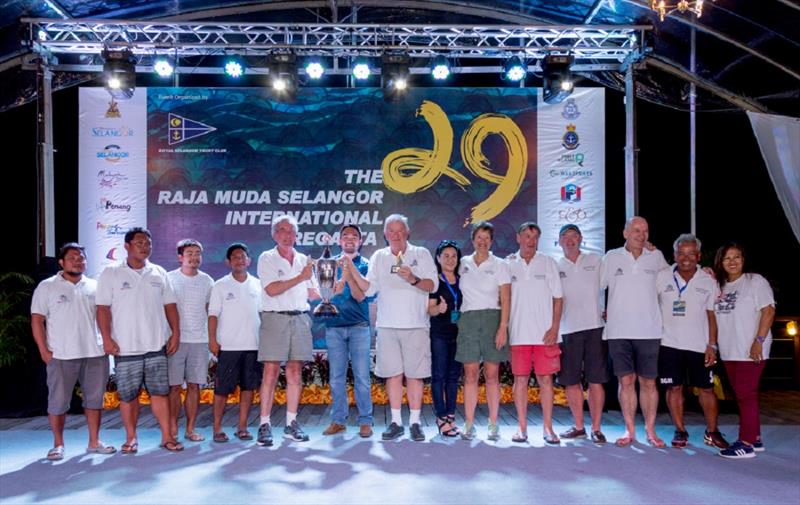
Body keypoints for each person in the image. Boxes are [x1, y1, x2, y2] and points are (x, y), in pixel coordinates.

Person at [346, 214, 438, 441]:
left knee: (415, 376)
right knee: (393, 375)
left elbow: (432, 285)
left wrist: (414, 278)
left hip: (416, 325)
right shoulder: (379, 256)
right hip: (387, 326)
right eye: (391, 231)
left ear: (407, 233)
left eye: (400, 231)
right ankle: (396, 422)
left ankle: (415, 422)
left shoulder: (421, 254)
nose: (396, 235)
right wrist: (350, 269)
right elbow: (368, 289)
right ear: (385, 235)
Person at [96, 227, 182, 453]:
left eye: (148, 243)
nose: (145, 247)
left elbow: (170, 305)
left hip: (156, 345)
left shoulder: (158, 272)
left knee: (160, 393)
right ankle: (131, 438)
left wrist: (176, 333)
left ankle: (166, 437)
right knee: (128, 396)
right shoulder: (111, 273)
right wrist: (106, 338)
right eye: (140, 243)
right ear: (127, 246)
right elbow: (102, 309)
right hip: (125, 347)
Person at [31, 243, 116, 460]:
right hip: (61, 354)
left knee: (95, 400)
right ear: (61, 262)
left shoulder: (96, 286)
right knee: (58, 402)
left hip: (95, 353)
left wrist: (107, 342)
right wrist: (43, 350)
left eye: (81, 258)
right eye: (72, 258)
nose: (78, 261)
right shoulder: (47, 286)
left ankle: (94, 442)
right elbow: (37, 320)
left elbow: (105, 317)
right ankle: (58, 444)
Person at [601, 216, 669, 447]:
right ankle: (629, 430)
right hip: (619, 331)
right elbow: (595, 286)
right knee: (626, 381)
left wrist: (704, 271)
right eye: (636, 230)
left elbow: (673, 283)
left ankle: (650, 431)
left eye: (645, 231)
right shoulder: (611, 257)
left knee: (649, 383)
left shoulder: (657, 257)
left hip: (649, 330)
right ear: (625, 233)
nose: (641, 235)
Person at [656, 234, 729, 449]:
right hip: (668, 344)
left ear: (698, 256)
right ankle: (680, 430)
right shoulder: (662, 276)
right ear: (674, 255)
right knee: (674, 389)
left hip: (699, 345)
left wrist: (712, 345)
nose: (685, 257)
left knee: (707, 389)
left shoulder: (708, 280)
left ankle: (712, 432)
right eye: (681, 253)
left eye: (690, 253)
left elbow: (711, 315)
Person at [256, 215, 319, 446]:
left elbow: (314, 293)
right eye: (282, 230)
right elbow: (272, 289)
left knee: (295, 372)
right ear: (275, 234)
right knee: (271, 372)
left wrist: (334, 287)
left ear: (296, 235)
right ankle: (264, 424)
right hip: (275, 318)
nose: (287, 235)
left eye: (291, 231)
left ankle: (291, 423)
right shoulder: (267, 258)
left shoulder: (304, 259)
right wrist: (300, 277)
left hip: (301, 318)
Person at [713, 242, 776, 459]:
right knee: (745, 395)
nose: (732, 262)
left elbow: (768, 310)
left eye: (736, 257)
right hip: (730, 350)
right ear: (720, 262)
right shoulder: (720, 286)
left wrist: (758, 341)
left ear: (743, 260)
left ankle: (746, 443)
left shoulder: (754, 281)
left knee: (745, 394)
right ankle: (755, 438)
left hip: (751, 350)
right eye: (727, 258)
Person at [506, 222, 563, 444]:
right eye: (527, 236)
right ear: (518, 238)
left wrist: (555, 328)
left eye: (535, 237)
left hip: (544, 336)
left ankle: (548, 429)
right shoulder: (508, 264)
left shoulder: (548, 263)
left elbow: (558, 298)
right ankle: (522, 428)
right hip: (519, 334)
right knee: (520, 381)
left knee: (546, 381)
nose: (531, 241)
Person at [456, 222, 510, 441]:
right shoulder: (462, 263)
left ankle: (493, 423)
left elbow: (506, 298)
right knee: (469, 375)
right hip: (468, 321)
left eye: (487, 238)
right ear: (472, 239)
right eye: (479, 237)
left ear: (491, 241)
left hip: (492, 319)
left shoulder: (500, 264)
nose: (483, 241)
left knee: (491, 375)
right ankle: (469, 423)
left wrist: (503, 327)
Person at [556, 224, 609, 444]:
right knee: (571, 381)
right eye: (565, 237)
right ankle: (579, 426)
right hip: (567, 330)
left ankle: (596, 428)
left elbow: (614, 283)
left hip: (595, 327)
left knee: (596, 380)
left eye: (574, 236)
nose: (570, 240)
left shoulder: (596, 261)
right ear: (559, 242)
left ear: (581, 239)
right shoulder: (555, 265)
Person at [322, 224, 374, 438]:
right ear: (339, 241)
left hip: (359, 327)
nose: (350, 239)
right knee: (336, 377)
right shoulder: (329, 263)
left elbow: (361, 296)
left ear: (360, 242)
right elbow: (328, 294)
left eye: (354, 236)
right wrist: (338, 280)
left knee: (362, 376)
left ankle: (365, 421)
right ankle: (339, 420)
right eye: (345, 236)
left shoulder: (366, 264)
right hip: (334, 327)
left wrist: (349, 272)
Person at [208, 243, 263, 443]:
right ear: (228, 262)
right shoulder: (220, 285)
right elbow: (213, 315)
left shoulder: (258, 284)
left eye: (243, 257)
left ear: (249, 260)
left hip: (253, 346)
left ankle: (242, 427)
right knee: (222, 390)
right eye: (235, 257)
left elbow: (262, 314)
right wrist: (212, 340)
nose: (240, 260)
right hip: (228, 347)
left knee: (248, 388)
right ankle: (217, 428)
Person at [167, 239, 214, 443]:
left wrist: (213, 340)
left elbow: (210, 312)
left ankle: (190, 429)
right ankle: (171, 430)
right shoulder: (168, 279)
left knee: (195, 386)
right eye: (189, 253)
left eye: (197, 253)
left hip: (200, 341)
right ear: (180, 257)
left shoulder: (207, 281)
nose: (194, 257)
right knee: (174, 387)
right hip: (175, 340)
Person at [427, 240, 464, 438]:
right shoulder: (435, 282)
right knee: (439, 376)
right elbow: (429, 309)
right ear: (438, 259)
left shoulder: (462, 279)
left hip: (459, 335)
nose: (450, 260)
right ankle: (441, 417)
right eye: (446, 256)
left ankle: (451, 414)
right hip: (440, 335)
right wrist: (438, 309)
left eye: (454, 256)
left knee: (453, 377)